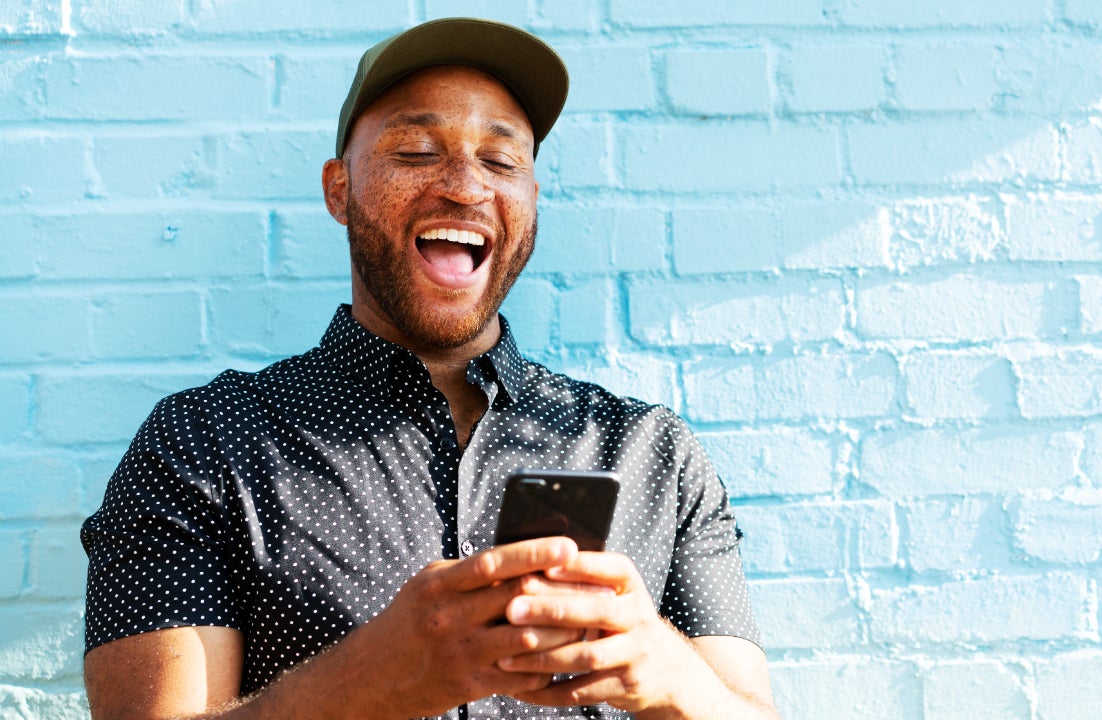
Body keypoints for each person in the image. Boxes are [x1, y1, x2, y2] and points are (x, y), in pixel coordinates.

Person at [80, 17, 778, 720]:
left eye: (502, 162)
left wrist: (667, 675)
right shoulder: (202, 444)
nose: (465, 186)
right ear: (338, 189)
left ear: (531, 199)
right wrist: (367, 680)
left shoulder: (655, 454)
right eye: (416, 151)